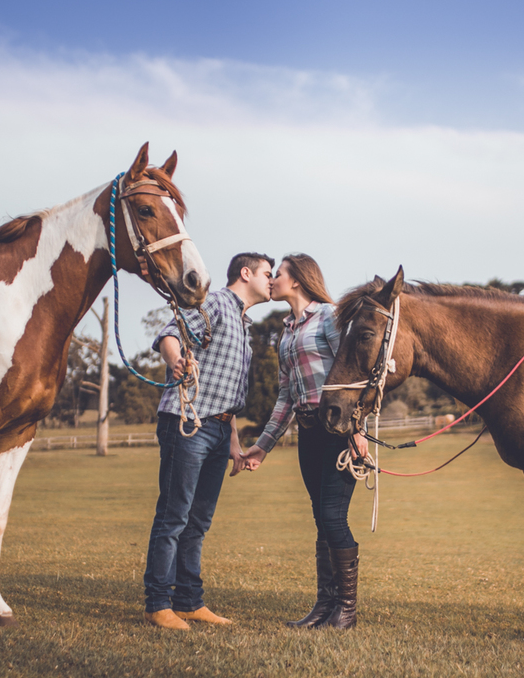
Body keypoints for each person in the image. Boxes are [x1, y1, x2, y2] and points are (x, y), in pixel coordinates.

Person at [142, 252, 274, 630]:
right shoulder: (215, 302)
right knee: (174, 516)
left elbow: (227, 394)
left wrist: (232, 442)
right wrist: (176, 360)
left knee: (198, 521)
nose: (272, 280)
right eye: (267, 273)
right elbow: (170, 333)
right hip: (187, 422)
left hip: (218, 429)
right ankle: (157, 603)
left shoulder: (243, 323)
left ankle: (188, 602)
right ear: (246, 273)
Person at [242, 254, 370, 629]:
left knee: (332, 516)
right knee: (321, 520)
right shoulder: (287, 332)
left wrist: (357, 430)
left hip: (337, 430)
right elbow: (286, 396)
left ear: (297, 279)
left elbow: (353, 375)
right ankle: (324, 605)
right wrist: (263, 445)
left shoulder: (329, 316)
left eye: (278, 274)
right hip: (307, 432)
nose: (272, 280)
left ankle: (346, 609)